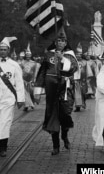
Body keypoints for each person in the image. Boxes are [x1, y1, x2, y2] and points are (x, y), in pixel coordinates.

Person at [33, 27, 78, 155]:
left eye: (63, 41)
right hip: (52, 90)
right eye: (58, 40)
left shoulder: (70, 55)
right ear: (55, 42)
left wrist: (62, 59)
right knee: (53, 117)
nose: (60, 43)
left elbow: (73, 68)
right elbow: (42, 72)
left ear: (66, 42)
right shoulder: (48, 55)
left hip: (66, 91)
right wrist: (38, 90)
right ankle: (56, 146)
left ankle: (64, 135)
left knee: (65, 116)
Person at [20, 43, 40, 111]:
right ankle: (26, 105)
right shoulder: (22, 62)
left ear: (31, 55)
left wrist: (34, 79)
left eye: (29, 55)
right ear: (25, 55)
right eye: (27, 55)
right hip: (24, 80)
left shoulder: (34, 63)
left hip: (31, 80)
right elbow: (20, 71)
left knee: (31, 93)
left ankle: (31, 103)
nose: (28, 56)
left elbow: (35, 72)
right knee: (25, 93)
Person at [73, 43, 89, 112]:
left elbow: (88, 71)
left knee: (83, 93)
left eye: (79, 55)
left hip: (83, 80)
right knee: (77, 94)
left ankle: (83, 102)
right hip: (76, 80)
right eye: (76, 55)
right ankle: (78, 106)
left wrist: (87, 79)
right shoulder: (73, 62)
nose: (78, 57)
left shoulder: (85, 62)